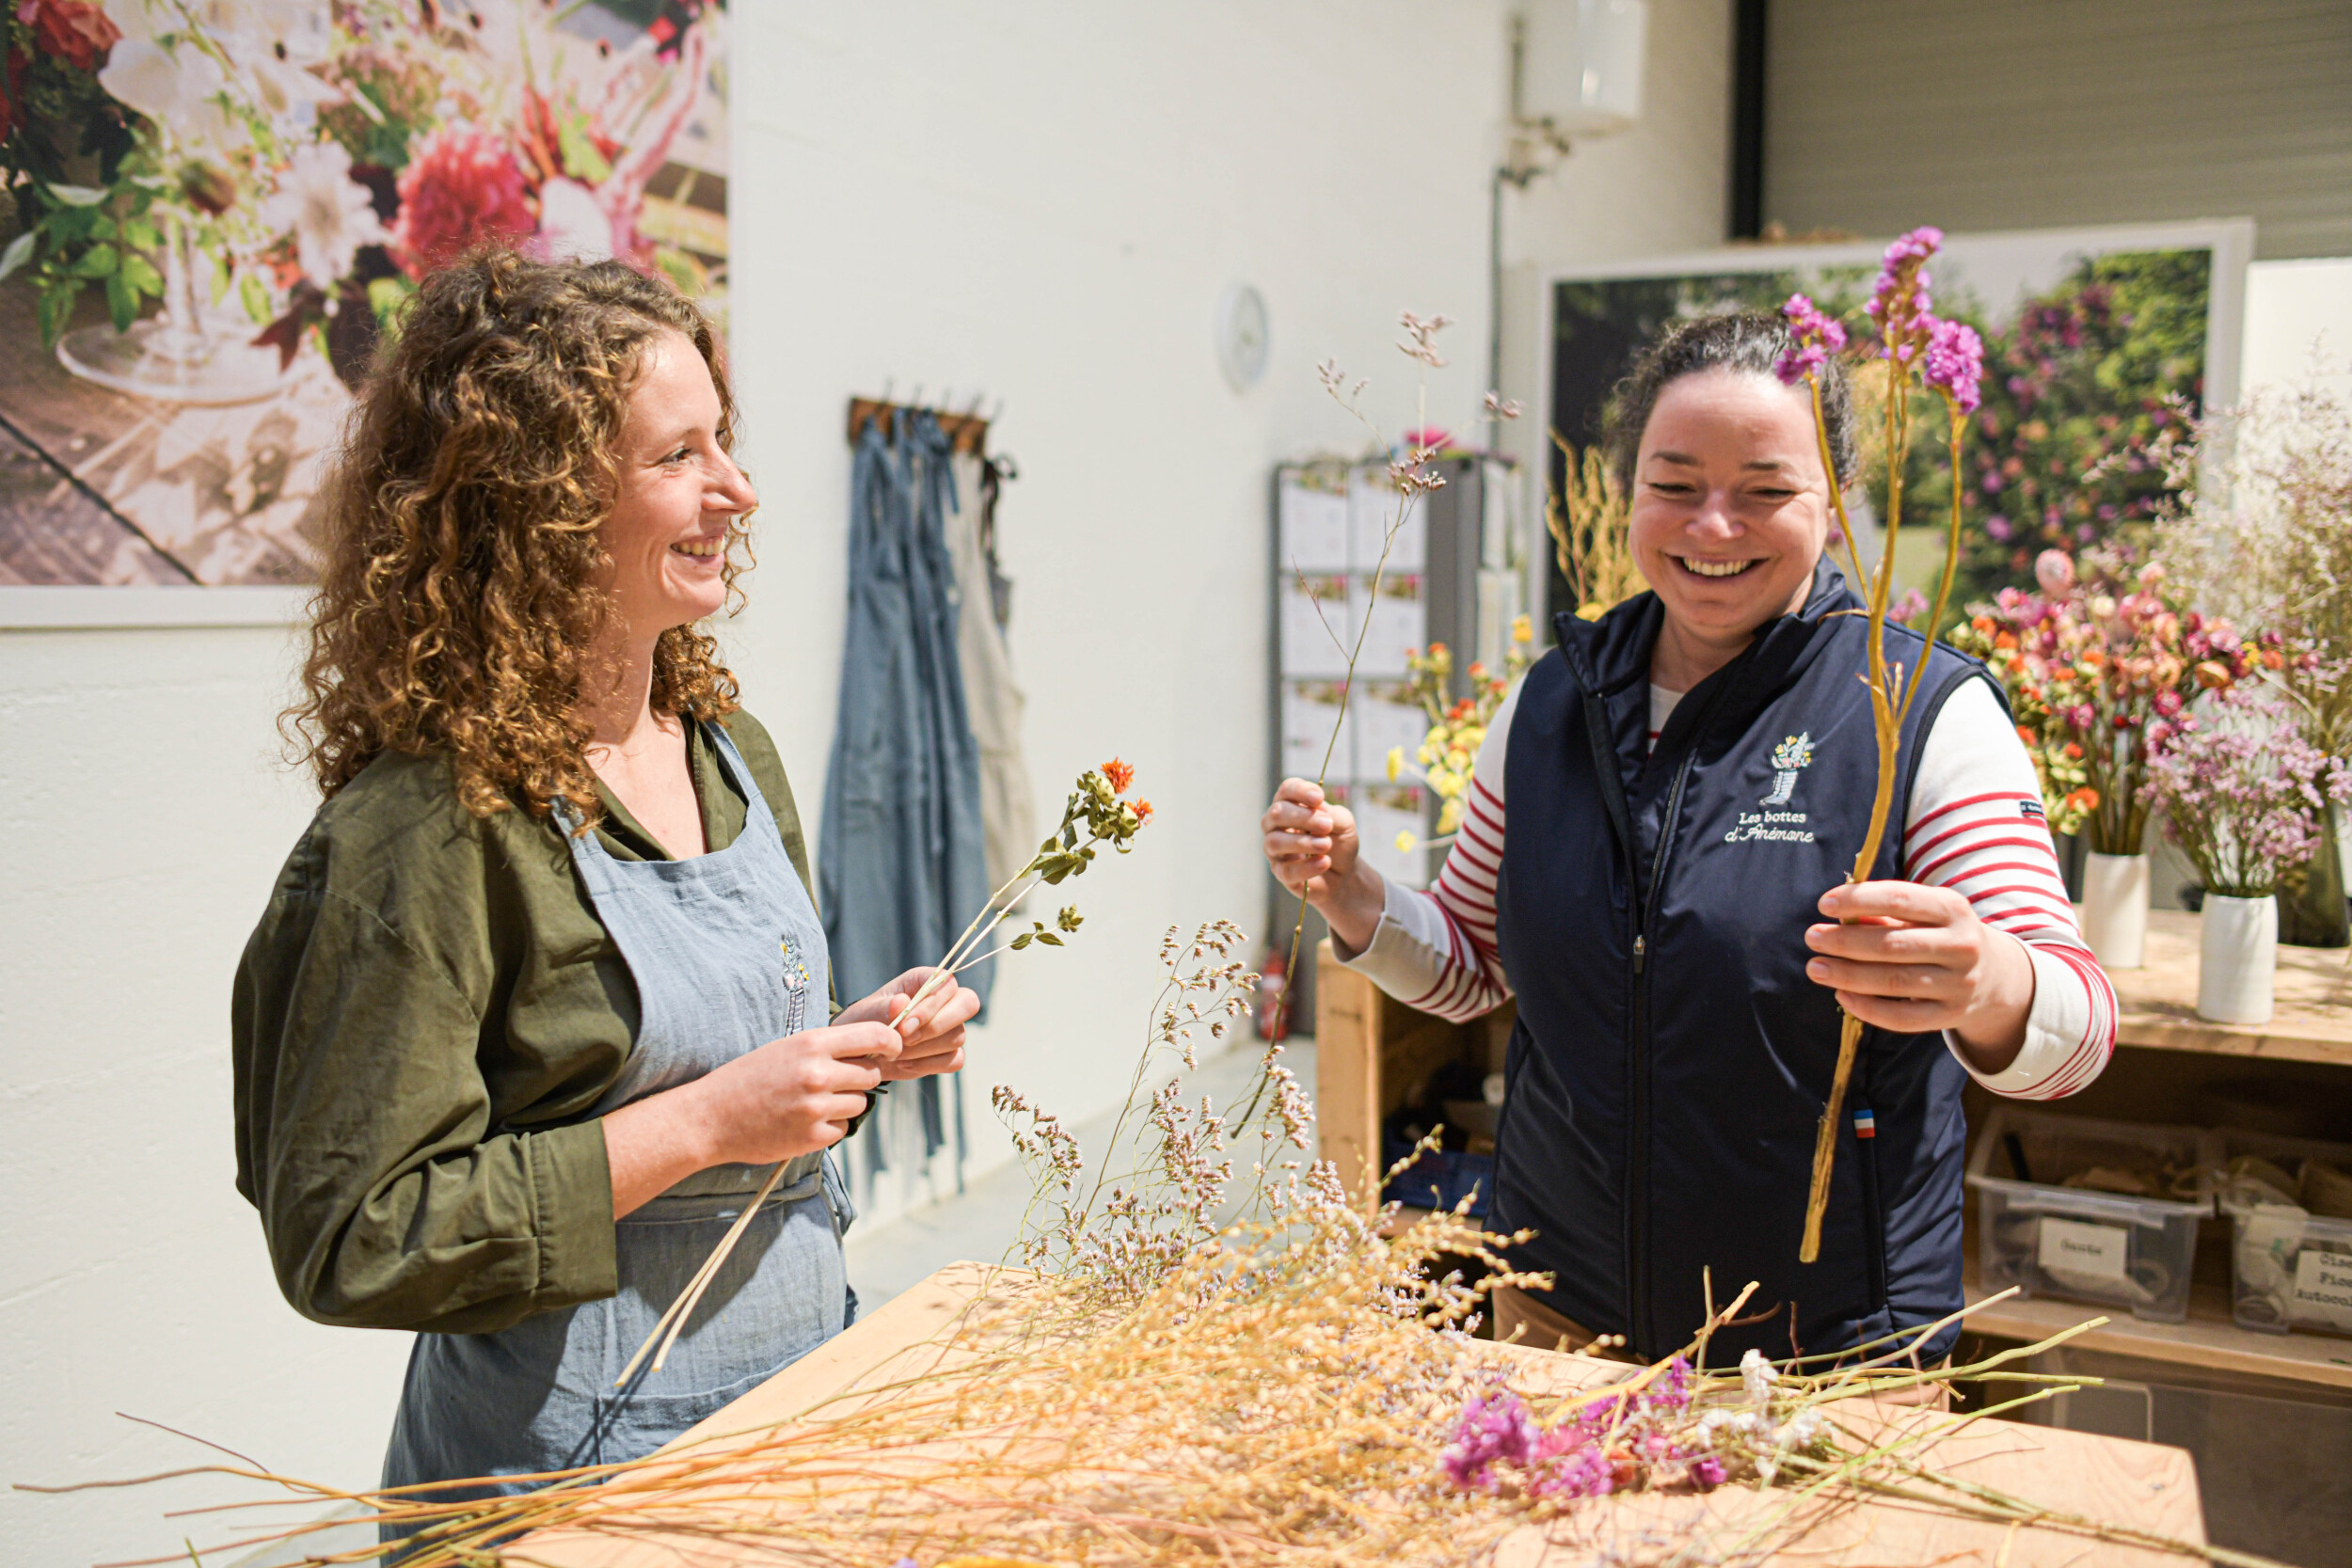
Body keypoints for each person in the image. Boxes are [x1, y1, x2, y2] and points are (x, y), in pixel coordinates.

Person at [230, 251, 981, 1513]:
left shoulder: (731, 752)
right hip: (564, 1484)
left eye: (724, 443)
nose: (737, 490)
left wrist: (849, 1047)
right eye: (678, 456)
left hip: (790, 1424)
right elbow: (353, 1232)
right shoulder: (424, 826)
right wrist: (707, 1123)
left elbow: (732, 1064)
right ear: (541, 502)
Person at [1263, 311, 2117, 1366]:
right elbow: (1477, 968)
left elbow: (2078, 1035)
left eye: (1764, 490)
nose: (1713, 526)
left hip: (1825, 1349)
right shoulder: (1549, 704)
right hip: (1558, 1311)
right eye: (1674, 484)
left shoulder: (1918, 713)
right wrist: (1355, 895)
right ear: (1630, 492)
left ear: (1833, 502)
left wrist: (1989, 980)